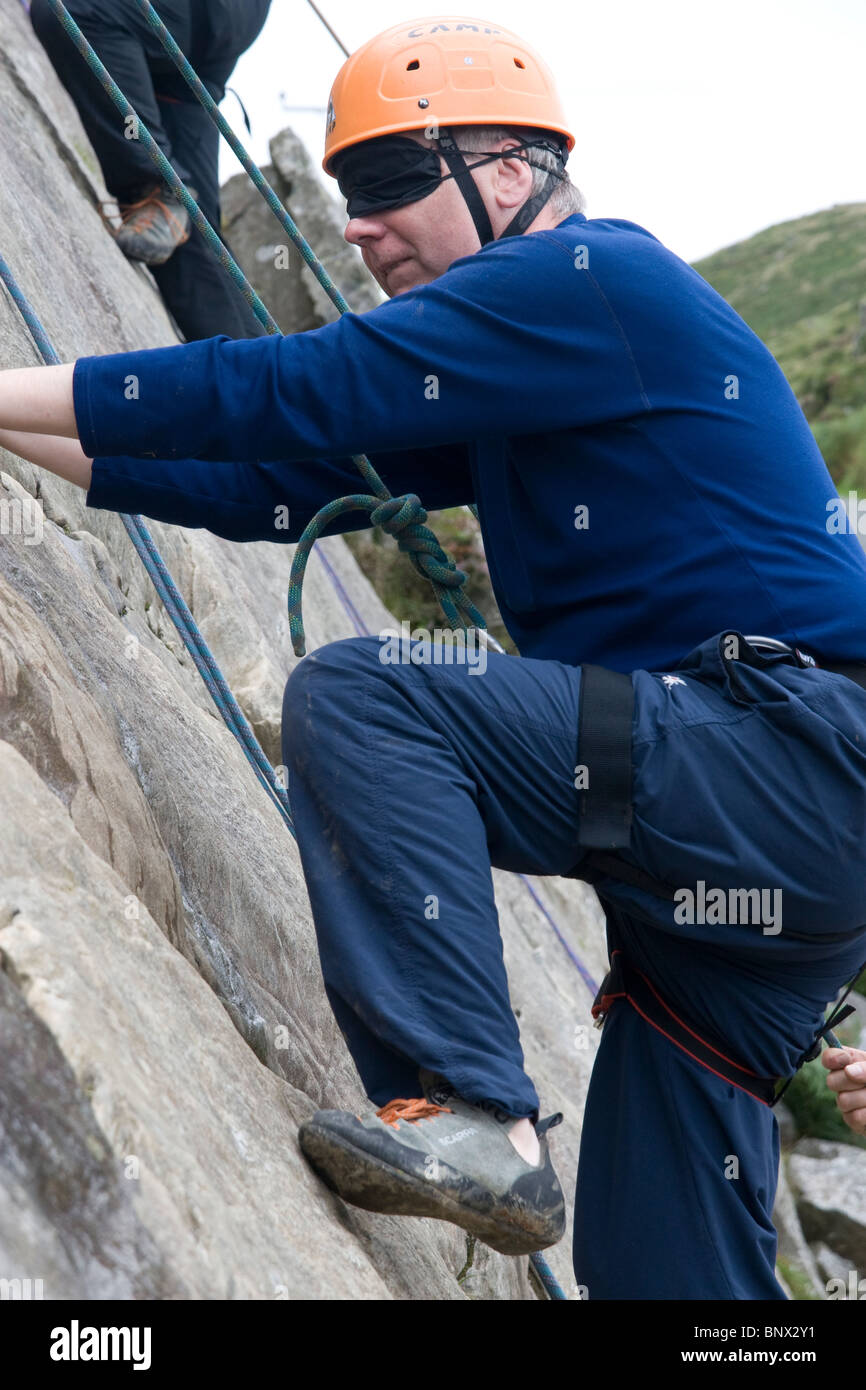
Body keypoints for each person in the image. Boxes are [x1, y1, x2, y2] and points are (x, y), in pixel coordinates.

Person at [2, 15, 866, 1296]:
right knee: (654, 1261)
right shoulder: (530, 375)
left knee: (372, 700)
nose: (357, 226)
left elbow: (289, 386)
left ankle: (470, 1109)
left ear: (507, 171)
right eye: (348, 196)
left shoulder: (590, 280)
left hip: (778, 760)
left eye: (392, 184)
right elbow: (275, 478)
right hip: (756, 866)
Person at [30, 0, 271, 341]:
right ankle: (259, 374)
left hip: (198, 14)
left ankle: (159, 185)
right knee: (188, 233)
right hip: (210, 32)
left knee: (75, 8)